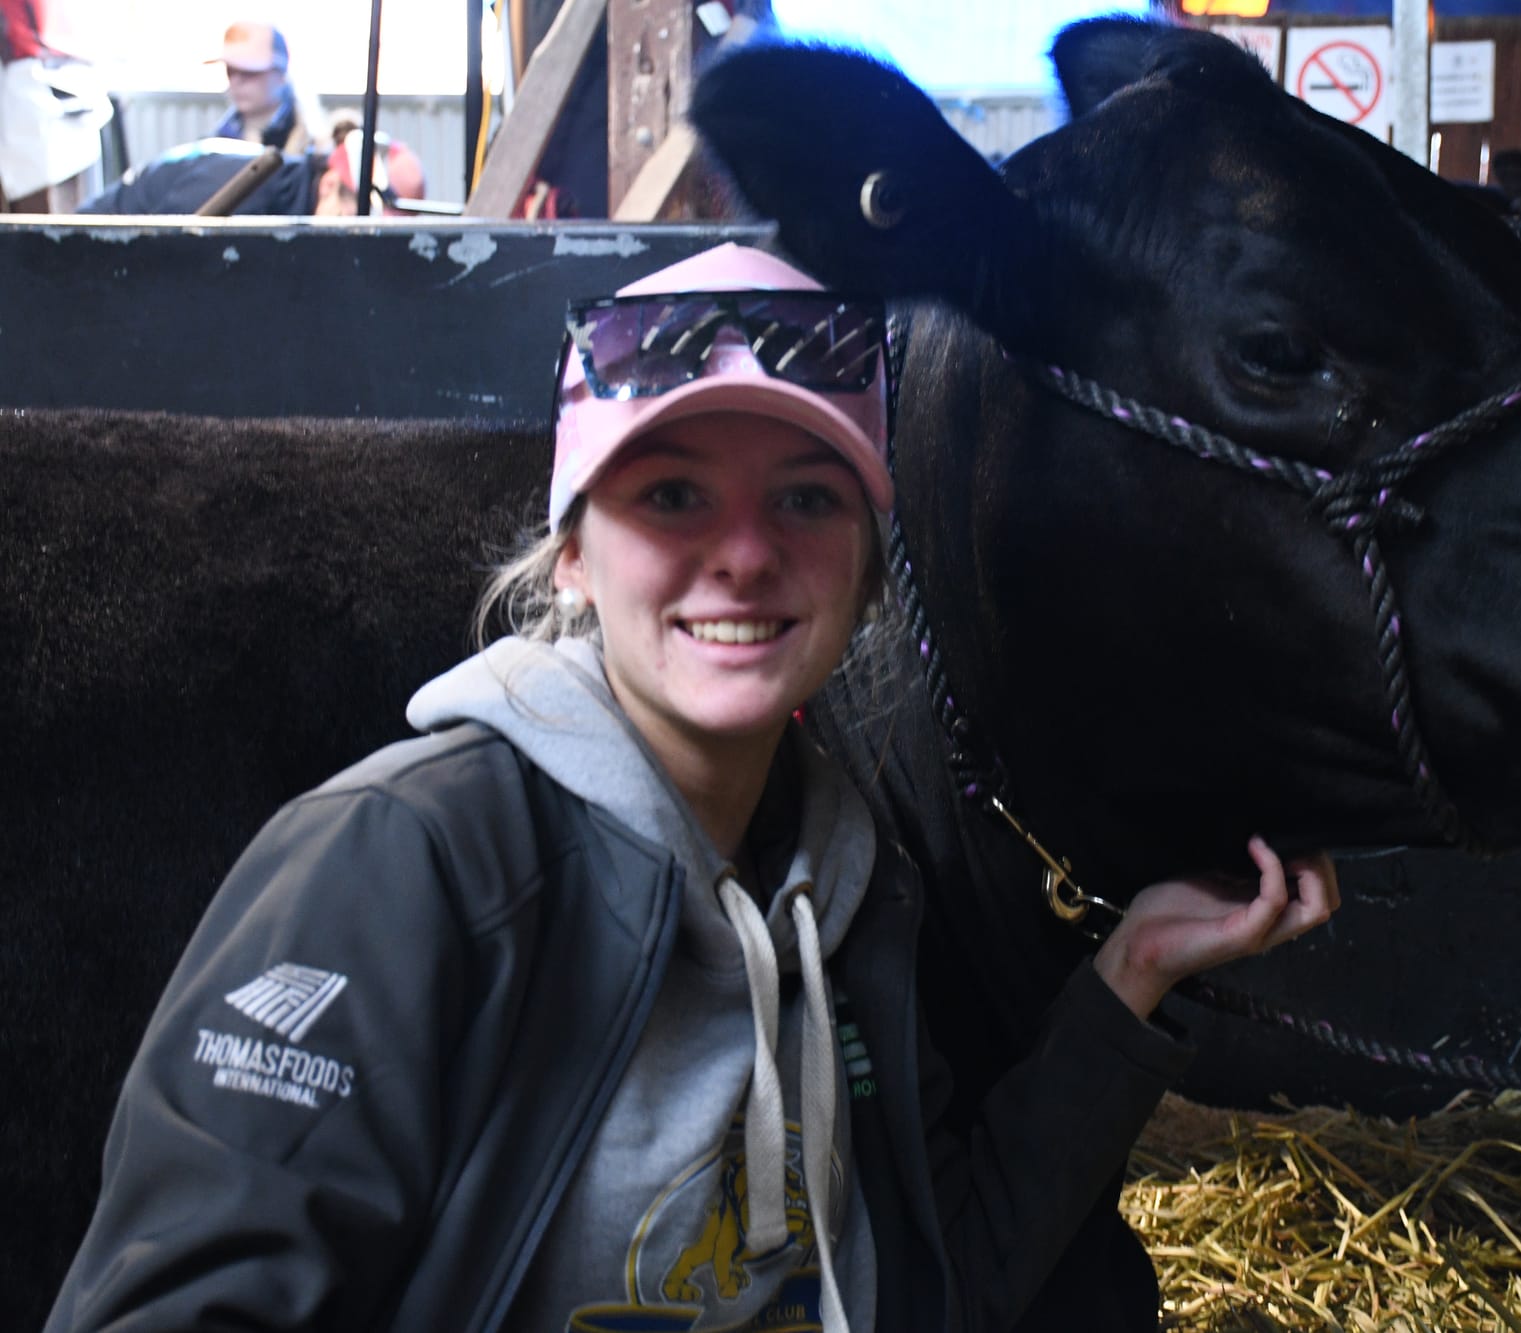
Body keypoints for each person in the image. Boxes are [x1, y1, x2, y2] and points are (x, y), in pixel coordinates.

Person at [44, 242, 1335, 1332]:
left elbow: (937, 1281)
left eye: (807, 498)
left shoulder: (847, 879)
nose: (745, 556)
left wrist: (1131, 980)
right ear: (571, 559)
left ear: (868, 577)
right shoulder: (398, 862)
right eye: (672, 496)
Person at [77, 120, 426, 217]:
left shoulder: (294, 198)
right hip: (78, 258)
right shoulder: (248, 191)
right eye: (360, 220)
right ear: (329, 185)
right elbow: (165, 264)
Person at [207, 20, 312, 153]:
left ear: (281, 74)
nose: (235, 81)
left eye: (249, 72)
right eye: (230, 71)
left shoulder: (315, 146)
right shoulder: (218, 142)